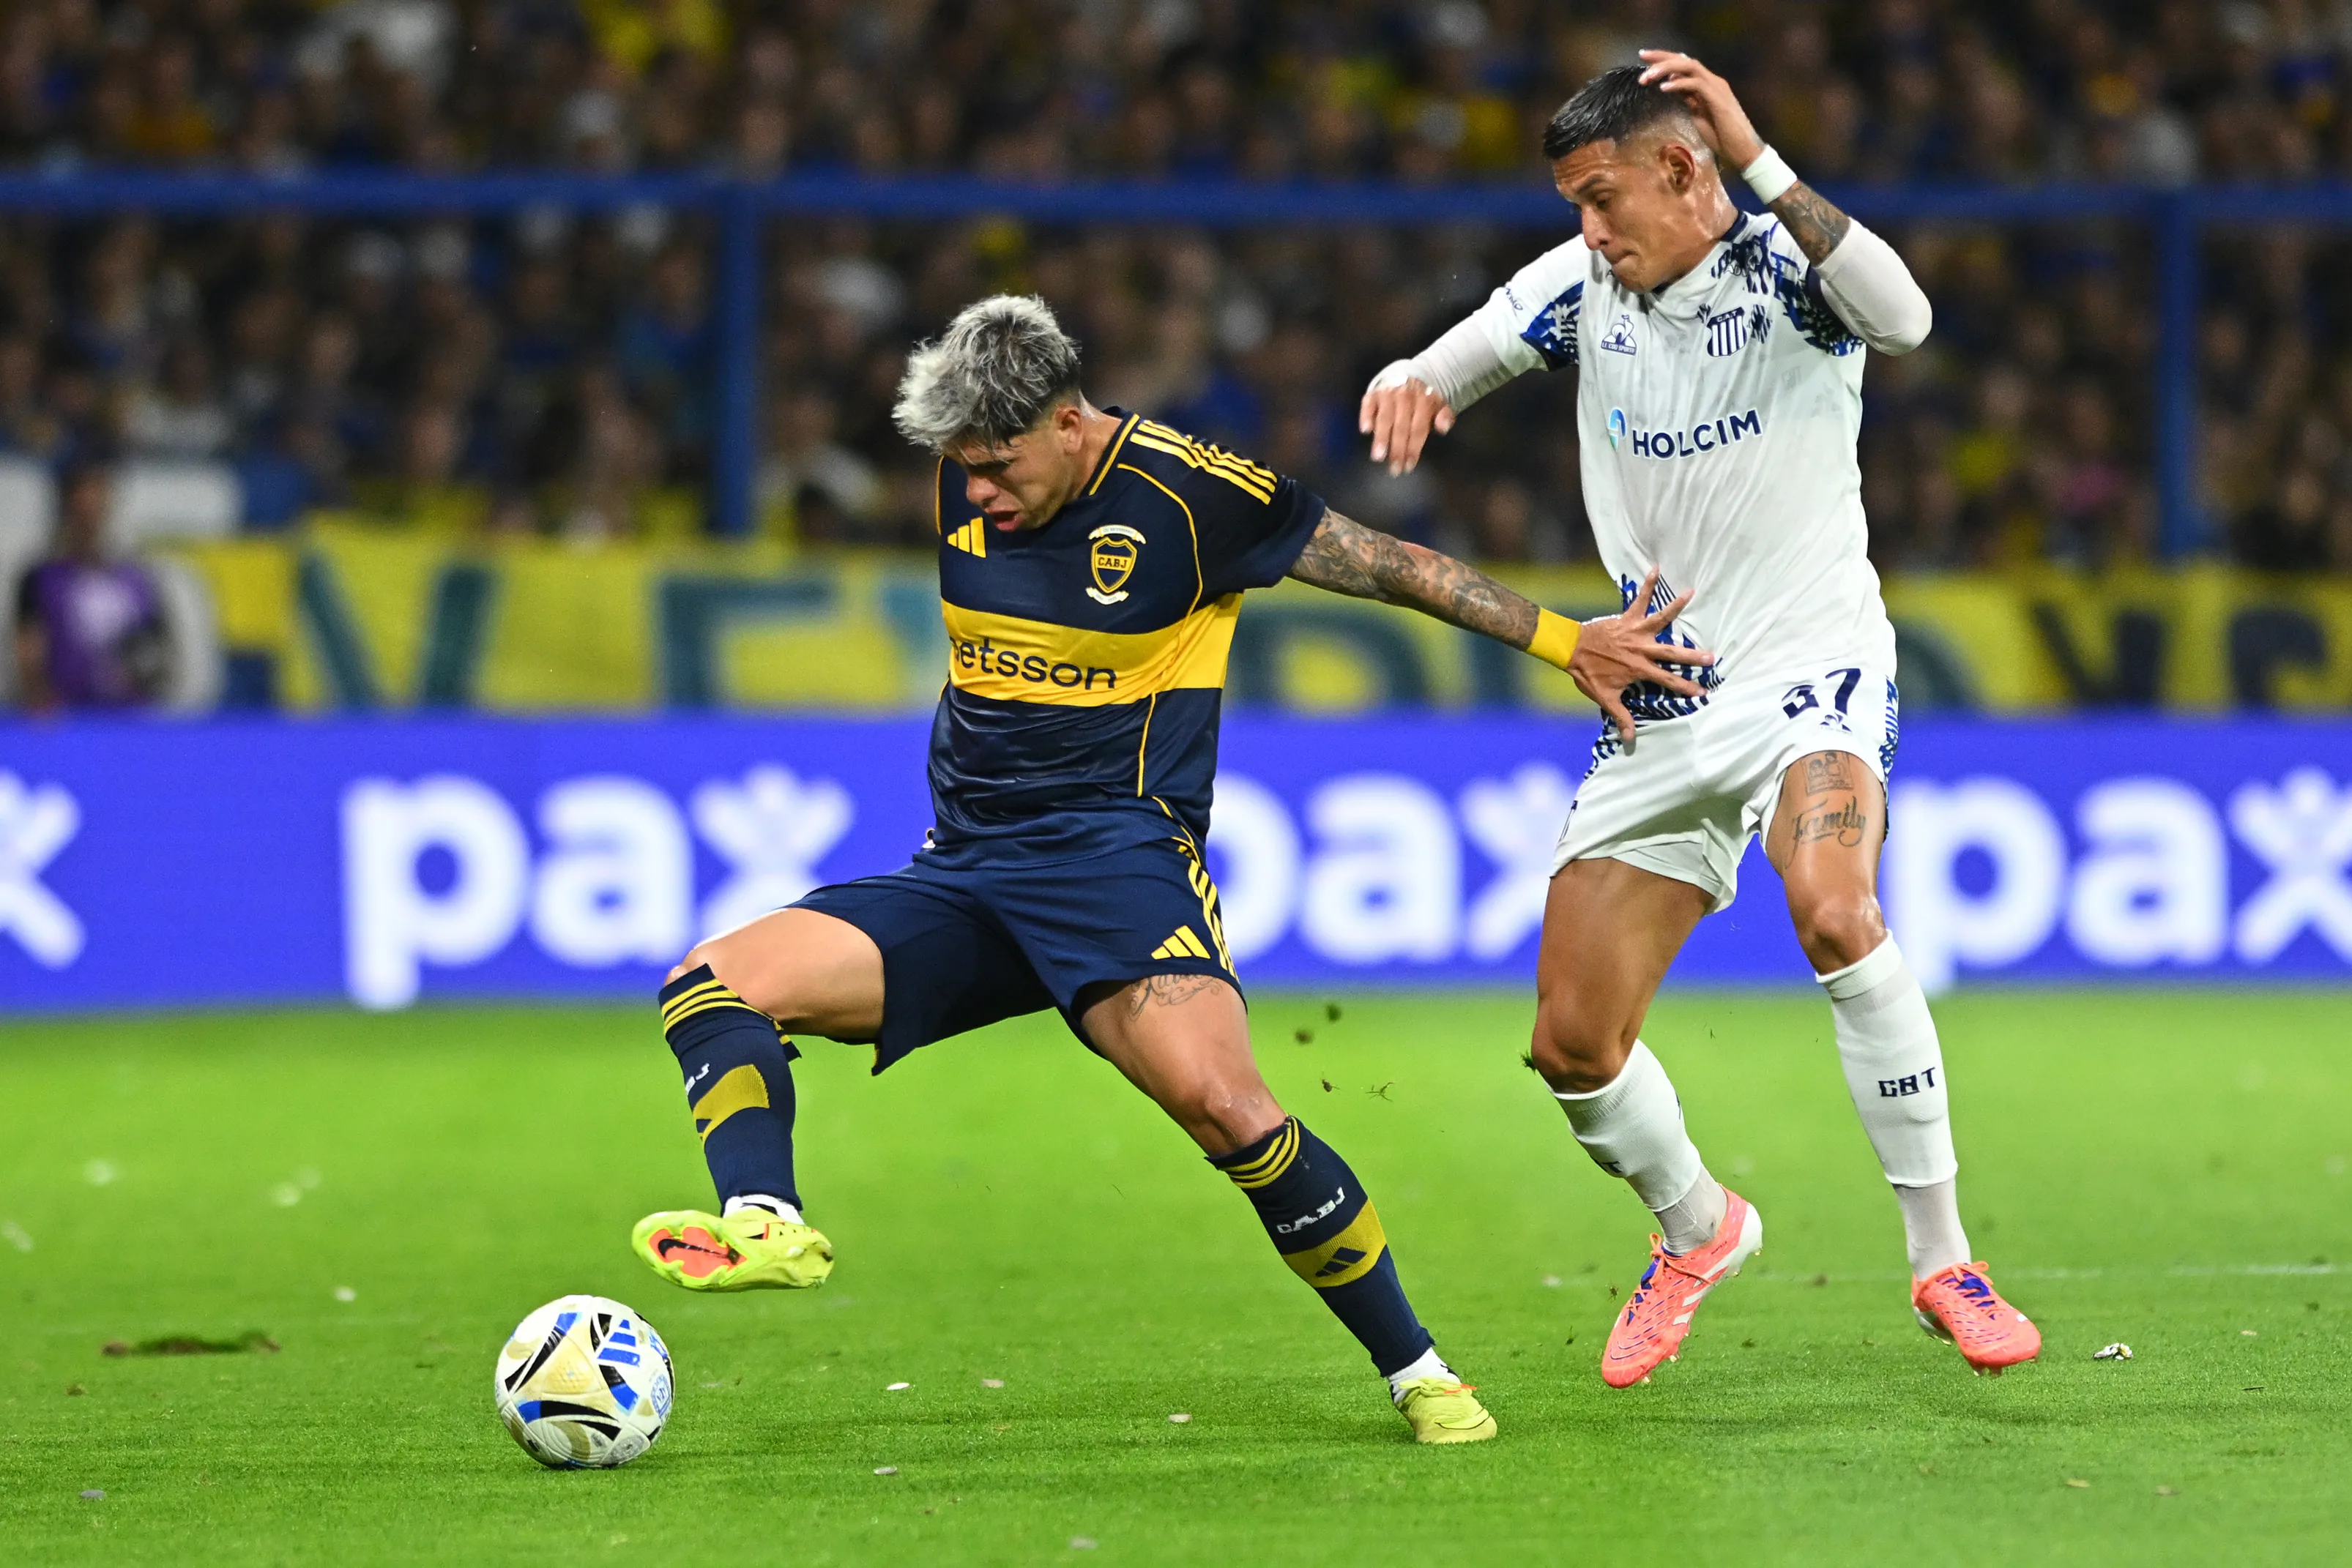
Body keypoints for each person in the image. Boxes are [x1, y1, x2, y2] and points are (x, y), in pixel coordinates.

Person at [625, 294, 1698, 1443]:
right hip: (969, 870)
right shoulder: (970, 472)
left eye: (994, 466)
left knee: (1227, 1107)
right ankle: (766, 1218)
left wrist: (1566, 640)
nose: (974, 493)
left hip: (1119, 865)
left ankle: (1421, 1371)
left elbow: (1387, 564)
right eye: (961, 468)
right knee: (710, 982)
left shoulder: (1195, 496)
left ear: (1067, 421)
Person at [1360, 57, 2040, 1386]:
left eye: (1602, 197)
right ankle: (1697, 1228)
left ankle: (1943, 1260)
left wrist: (1762, 158)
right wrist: (1412, 378)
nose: (1588, 228)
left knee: (1835, 908)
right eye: (1573, 204)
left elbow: (1904, 318)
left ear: (1683, 169)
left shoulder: (1792, 270)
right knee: (1571, 1045)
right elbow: (1464, 351)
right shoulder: (1581, 287)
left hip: (1811, 665)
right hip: (1661, 686)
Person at [12, 463, 169, 714]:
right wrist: (40, 701)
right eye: (81, 512)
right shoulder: (42, 579)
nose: (90, 522)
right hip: (67, 717)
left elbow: (159, 650)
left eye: (97, 510)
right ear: (66, 512)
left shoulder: (138, 581)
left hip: (129, 717)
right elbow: (29, 651)